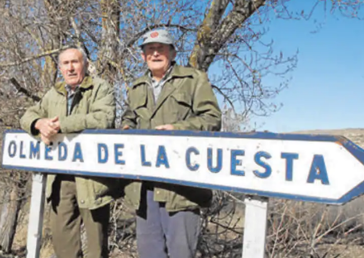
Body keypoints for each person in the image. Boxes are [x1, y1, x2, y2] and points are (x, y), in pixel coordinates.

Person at [121, 29, 222, 258]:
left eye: (161, 48)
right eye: (150, 50)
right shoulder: (136, 87)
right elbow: (128, 118)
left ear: (172, 52)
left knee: (180, 253)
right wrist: (126, 129)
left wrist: (178, 129)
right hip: (144, 187)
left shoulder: (193, 79)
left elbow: (212, 119)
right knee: (149, 253)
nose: (155, 54)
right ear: (142, 56)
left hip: (182, 186)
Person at [20, 45, 118, 258]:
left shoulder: (101, 88)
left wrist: (61, 124)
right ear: (60, 68)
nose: (71, 68)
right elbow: (27, 116)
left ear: (85, 64)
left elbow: (103, 119)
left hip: (93, 180)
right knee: (64, 247)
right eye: (65, 63)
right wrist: (39, 123)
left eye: (75, 62)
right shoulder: (53, 94)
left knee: (96, 250)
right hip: (60, 181)